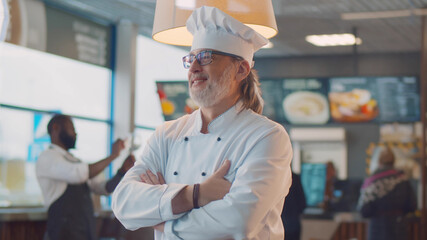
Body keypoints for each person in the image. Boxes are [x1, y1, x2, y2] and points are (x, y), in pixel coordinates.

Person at [112, 6, 293, 240]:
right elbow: (124, 203)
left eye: (206, 57)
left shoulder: (267, 136)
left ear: (241, 69)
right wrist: (196, 195)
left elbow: (237, 221)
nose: (194, 68)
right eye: (191, 59)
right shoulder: (166, 134)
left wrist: (164, 220)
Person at [36, 114, 135, 240]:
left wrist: (122, 172)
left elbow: (104, 188)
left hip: (85, 231)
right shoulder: (47, 157)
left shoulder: (76, 161)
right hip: (62, 233)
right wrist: (113, 155)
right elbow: (78, 174)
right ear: (55, 128)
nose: (75, 133)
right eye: (71, 128)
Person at [357, 146, 417, 240]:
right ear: (394, 161)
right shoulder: (402, 179)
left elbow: (363, 211)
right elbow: (412, 206)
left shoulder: (371, 182)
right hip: (399, 227)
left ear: (379, 162)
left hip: (377, 229)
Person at [281, 172, 306, 240]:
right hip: (294, 225)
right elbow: (302, 203)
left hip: (280, 225)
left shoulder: (275, 177)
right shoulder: (295, 178)